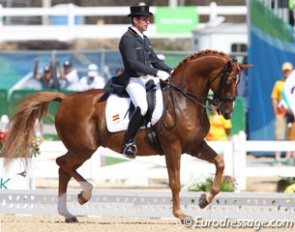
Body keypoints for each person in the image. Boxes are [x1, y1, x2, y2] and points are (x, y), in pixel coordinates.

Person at [119, 4, 173, 159]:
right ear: (135, 20)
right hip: (133, 80)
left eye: (148, 19)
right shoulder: (127, 39)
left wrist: (171, 70)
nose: (148, 22)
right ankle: (128, 143)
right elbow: (133, 64)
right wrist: (156, 73)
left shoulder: (145, 39)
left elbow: (155, 61)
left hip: (147, 79)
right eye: (145, 19)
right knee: (142, 107)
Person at [271, 62, 293, 166]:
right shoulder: (278, 83)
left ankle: (288, 157)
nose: (287, 72)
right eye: (285, 70)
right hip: (281, 112)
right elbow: (274, 98)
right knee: (279, 136)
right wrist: (275, 111)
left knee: (291, 137)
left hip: (291, 114)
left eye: (288, 70)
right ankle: (277, 157)